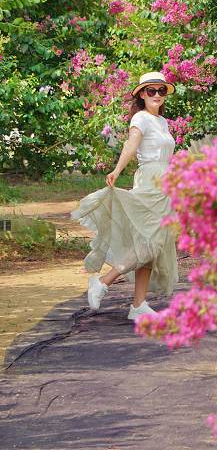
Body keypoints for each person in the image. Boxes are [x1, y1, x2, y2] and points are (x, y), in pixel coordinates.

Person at [71, 72, 179, 320]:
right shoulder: (140, 118)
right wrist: (117, 170)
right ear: (142, 94)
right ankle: (103, 282)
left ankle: (138, 305)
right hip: (151, 182)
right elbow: (131, 145)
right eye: (151, 91)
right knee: (149, 242)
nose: (157, 95)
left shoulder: (162, 122)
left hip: (167, 184)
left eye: (161, 90)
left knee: (154, 243)